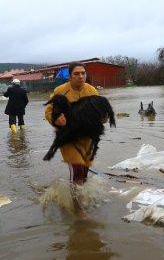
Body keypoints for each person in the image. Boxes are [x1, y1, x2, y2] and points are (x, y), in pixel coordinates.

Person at [45, 62, 100, 218]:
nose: (80, 76)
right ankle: (78, 210)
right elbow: (49, 111)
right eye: (76, 73)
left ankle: (80, 198)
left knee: (84, 173)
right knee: (77, 170)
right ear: (70, 76)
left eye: (83, 73)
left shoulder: (91, 90)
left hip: (87, 138)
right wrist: (56, 119)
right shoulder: (61, 91)